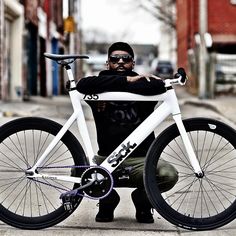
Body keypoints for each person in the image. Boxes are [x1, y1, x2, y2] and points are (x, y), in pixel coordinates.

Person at [77, 42, 178, 223]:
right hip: (107, 160)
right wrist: (126, 81)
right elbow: (83, 84)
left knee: (168, 174)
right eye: (115, 59)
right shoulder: (98, 86)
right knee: (78, 172)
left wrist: (129, 81)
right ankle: (107, 201)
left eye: (126, 59)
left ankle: (143, 201)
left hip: (142, 161)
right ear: (108, 64)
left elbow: (158, 86)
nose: (121, 62)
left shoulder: (141, 84)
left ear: (133, 63)